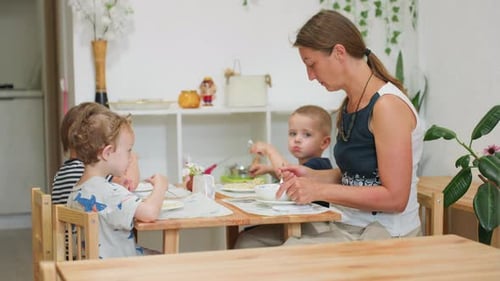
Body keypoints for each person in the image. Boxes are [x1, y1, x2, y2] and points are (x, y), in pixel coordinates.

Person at [276, 9, 425, 245]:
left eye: (312, 64)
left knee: (277, 261)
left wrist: (318, 191)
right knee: (250, 243)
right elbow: (356, 176)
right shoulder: (350, 104)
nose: (310, 76)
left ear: (338, 52)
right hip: (347, 225)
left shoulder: (387, 106)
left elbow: (395, 198)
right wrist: (312, 176)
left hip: (385, 235)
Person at [66, 109, 168, 258]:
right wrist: (161, 186)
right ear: (107, 153)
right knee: (171, 260)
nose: (131, 156)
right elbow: (150, 213)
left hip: (90, 270)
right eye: (128, 150)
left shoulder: (77, 191)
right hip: (117, 269)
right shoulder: (109, 192)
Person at [234, 105, 334, 249]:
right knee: (248, 234)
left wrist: (270, 150)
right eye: (293, 133)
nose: (297, 139)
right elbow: (291, 178)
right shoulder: (309, 165)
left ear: (324, 142)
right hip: (300, 221)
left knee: (247, 240)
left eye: (307, 134)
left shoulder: (320, 165)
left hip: (315, 226)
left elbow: (289, 176)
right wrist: (269, 169)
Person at [51, 102, 140, 205]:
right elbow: (130, 183)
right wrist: (130, 154)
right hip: (87, 221)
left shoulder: (62, 173)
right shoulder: (87, 173)